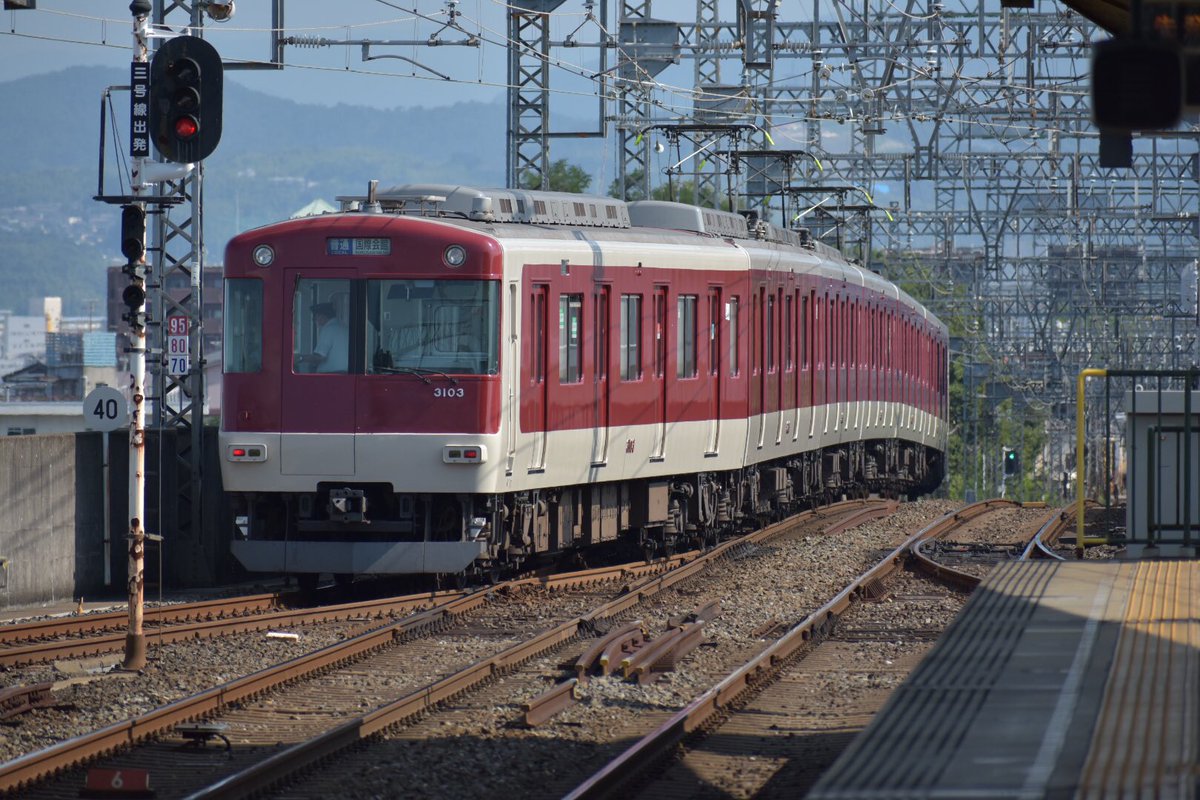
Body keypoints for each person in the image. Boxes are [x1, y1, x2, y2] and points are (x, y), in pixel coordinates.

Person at [301, 302, 348, 373]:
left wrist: (300, 358)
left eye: (315, 316)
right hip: (345, 374)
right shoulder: (344, 327)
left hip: (331, 375)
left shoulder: (329, 329)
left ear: (323, 316)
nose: (314, 320)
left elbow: (319, 357)